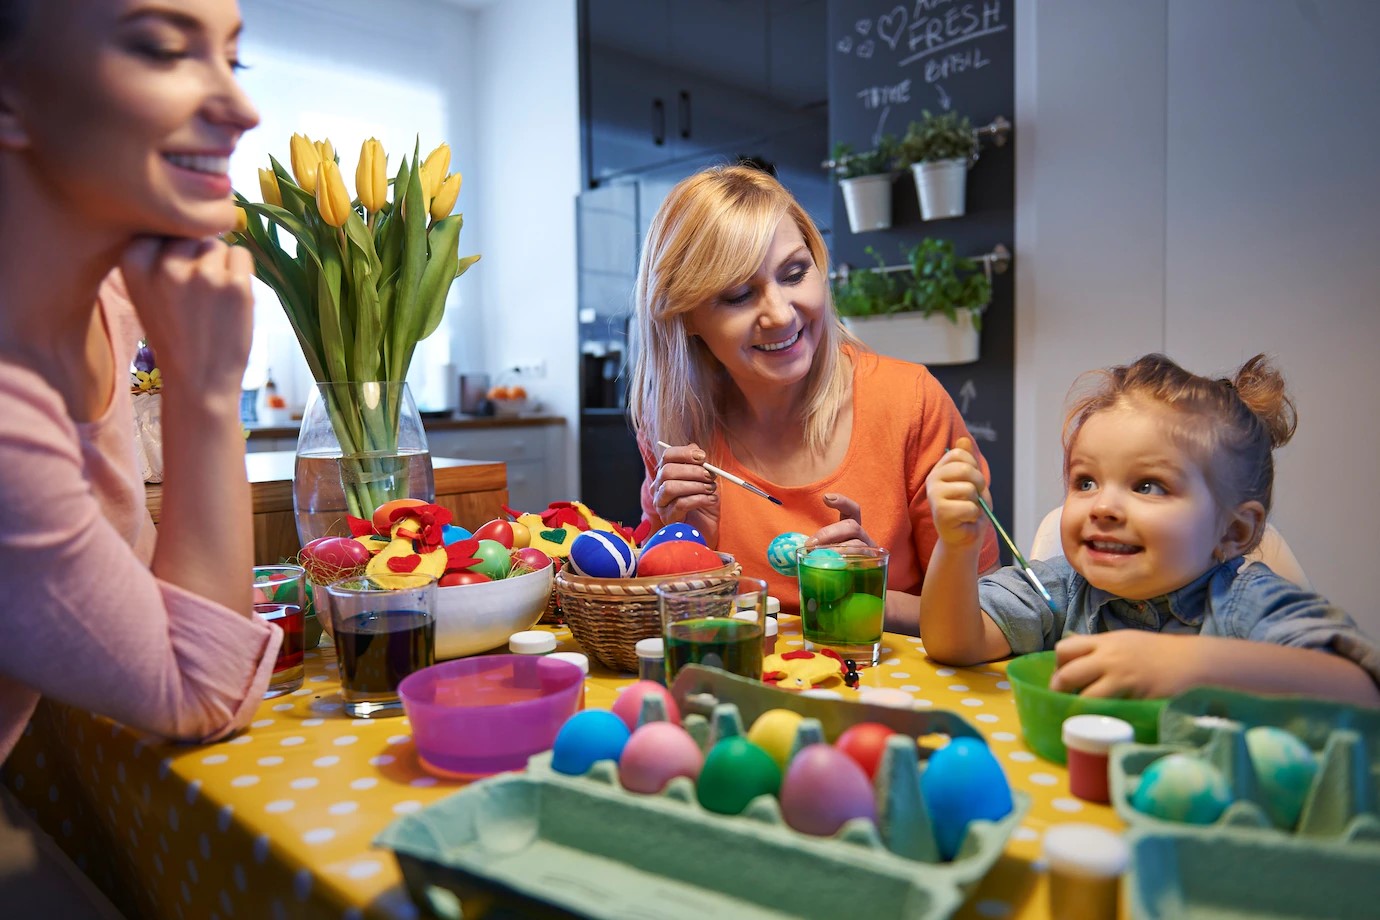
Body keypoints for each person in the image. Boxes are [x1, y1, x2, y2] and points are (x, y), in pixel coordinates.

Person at [0, 0, 278, 912]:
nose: (241, 108)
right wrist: (204, 387)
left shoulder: (117, 312)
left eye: (233, 57)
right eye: (164, 50)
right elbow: (200, 689)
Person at [629, 164, 998, 630]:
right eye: (739, 295)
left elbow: (991, 613)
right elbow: (653, 617)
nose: (781, 315)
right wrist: (688, 543)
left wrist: (868, 592)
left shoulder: (909, 402)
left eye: (795, 273)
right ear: (685, 317)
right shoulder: (671, 425)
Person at [921, 353, 1380, 705]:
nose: (1102, 505)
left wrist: (1189, 664)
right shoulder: (1060, 590)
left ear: (1235, 533)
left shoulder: (1244, 603)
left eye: (1148, 486)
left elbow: (1361, 687)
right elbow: (955, 644)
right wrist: (957, 546)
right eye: (1085, 481)